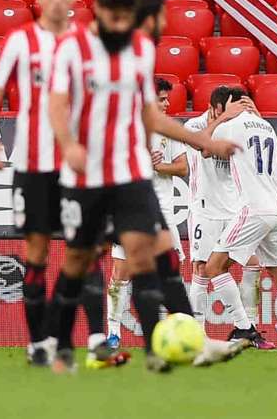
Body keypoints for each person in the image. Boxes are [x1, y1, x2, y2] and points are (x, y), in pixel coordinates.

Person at [47, 0, 238, 373]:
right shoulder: (73, 50)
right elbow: (56, 106)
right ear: (98, 11)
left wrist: (205, 141)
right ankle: (82, 341)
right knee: (84, 258)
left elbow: (150, 114)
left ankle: (172, 346)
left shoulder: (135, 53)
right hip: (88, 174)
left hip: (129, 172)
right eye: (115, 16)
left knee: (157, 254)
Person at [0, 0, 77, 368]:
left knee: (81, 254)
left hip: (75, 166)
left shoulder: (85, 44)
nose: (55, 0)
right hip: (33, 164)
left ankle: (63, 334)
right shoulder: (20, 40)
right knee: (35, 251)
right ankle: (39, 342)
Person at [205, 93, 277, 350]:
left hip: (252, 209)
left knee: (214, 267)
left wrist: (222, 117)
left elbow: (204, 148)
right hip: (276, 210)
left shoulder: (231, 125)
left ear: (227, 104)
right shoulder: (265, 126)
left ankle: (243, 328)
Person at [185, 86, 275, 349]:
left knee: (253, 263)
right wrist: (224, 118)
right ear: (215, 108)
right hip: (205, 209)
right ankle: (198, 335)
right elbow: (201, 145)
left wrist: (255, 118)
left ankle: (247, 325)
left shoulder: (239, 126)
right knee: (202, 270)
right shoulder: (195, 124)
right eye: (230, 110)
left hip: (236, 207)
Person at [106, 77, 187, 349]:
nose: (167, 104)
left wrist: (160, 166)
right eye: (161, 99)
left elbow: (183, 168)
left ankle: (170, 332)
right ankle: (113, 333)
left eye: (167, 99)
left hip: (164, 212)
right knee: (121, 273)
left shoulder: (170, 129)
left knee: (170, 274)